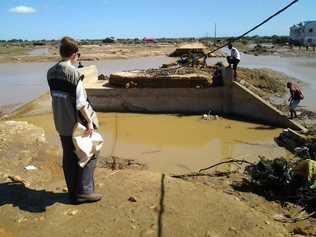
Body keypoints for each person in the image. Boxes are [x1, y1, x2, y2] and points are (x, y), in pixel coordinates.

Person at [47, 36, 102, 204]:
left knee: (69, 157)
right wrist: (90, 122)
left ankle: (72, 193)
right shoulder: (74, 74)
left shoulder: (50, 72)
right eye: (79, 54)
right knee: (91, 152)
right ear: (74, 55)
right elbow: (81, 103)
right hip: (76, 124)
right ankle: (84, 192)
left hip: (60, 122)